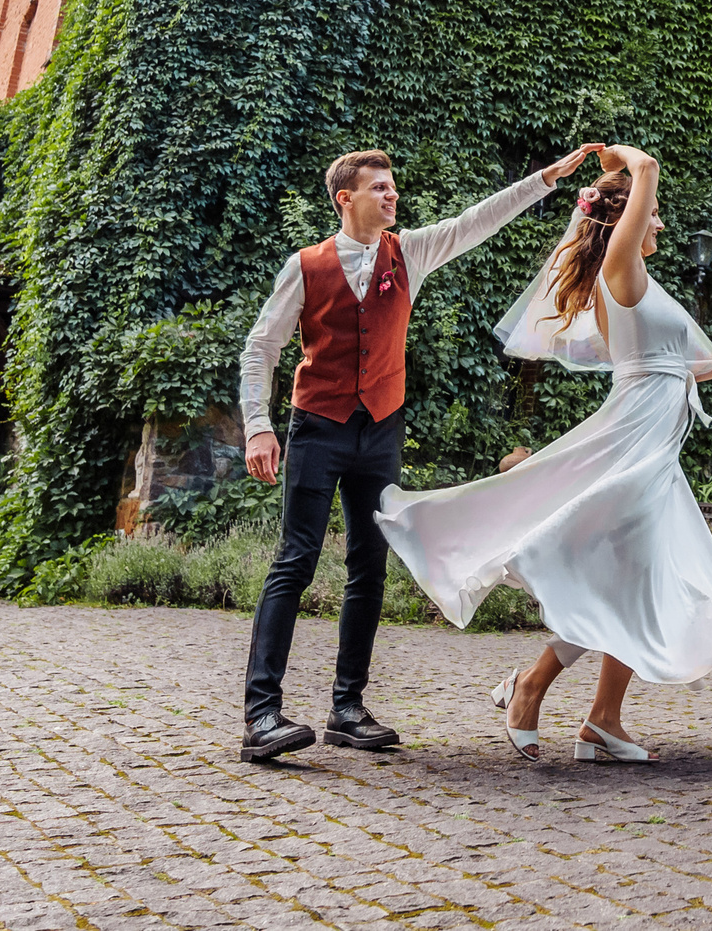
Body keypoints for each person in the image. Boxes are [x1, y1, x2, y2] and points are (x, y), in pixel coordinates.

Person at [377, 145, 712, 764]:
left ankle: (602, 718)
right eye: (654, 214)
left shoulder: (645, 286)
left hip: (657, 448)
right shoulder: (622, 269)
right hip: (633, 442)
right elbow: (646, 172)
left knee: (635, 573)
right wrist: (628, 161)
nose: (660, 223)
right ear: (624, 223)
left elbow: (660, 362)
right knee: (616, 568)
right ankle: (532, 687)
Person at [236, 143, 601, 764]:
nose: (392, 195)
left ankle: (347, 708)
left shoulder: (413, 251)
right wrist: (257, 428)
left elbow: (476, 222)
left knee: (369, 566)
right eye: (379, 188)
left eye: (393, 187)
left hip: (379, 429)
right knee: (294, 562)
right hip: (318, 427)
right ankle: (261, 715)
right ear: (345, 199)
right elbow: (259, 350)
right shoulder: (305, 266)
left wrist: (546, 179)